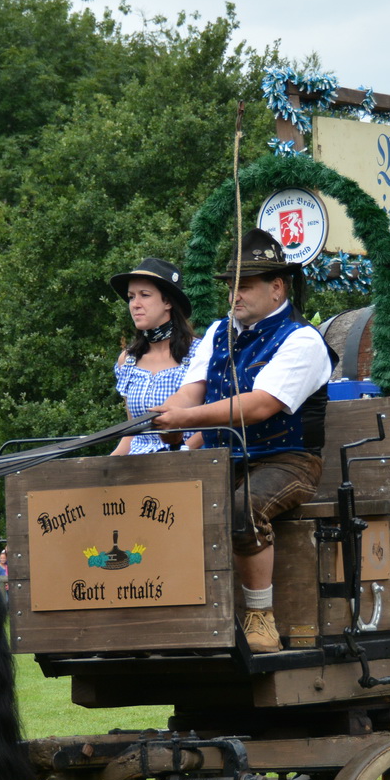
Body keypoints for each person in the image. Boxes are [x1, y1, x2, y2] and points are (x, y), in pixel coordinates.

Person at [153, 229, 334, 655]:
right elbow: (192, 391)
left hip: (288, 461)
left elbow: (259, 406)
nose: (235, 295)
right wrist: (164, 417)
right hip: (220, 459)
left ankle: (260, 617)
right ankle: (176, 614)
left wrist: (186, 419)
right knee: (161, 505)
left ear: (277, 288)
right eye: (232, 286)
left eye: (246, 286)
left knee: (242, 506)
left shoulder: (302, 339)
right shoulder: (219, 332)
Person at [110, 257, 199, 456]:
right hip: (137, 466)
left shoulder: (199, 354)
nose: (135, 304)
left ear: (167, 301)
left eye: (145, 295)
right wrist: (101, 468)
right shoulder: (128, 360)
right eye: (131, 297)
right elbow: (132, 433)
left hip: (189, 462)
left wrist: (183, 451)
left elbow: (212, 424)